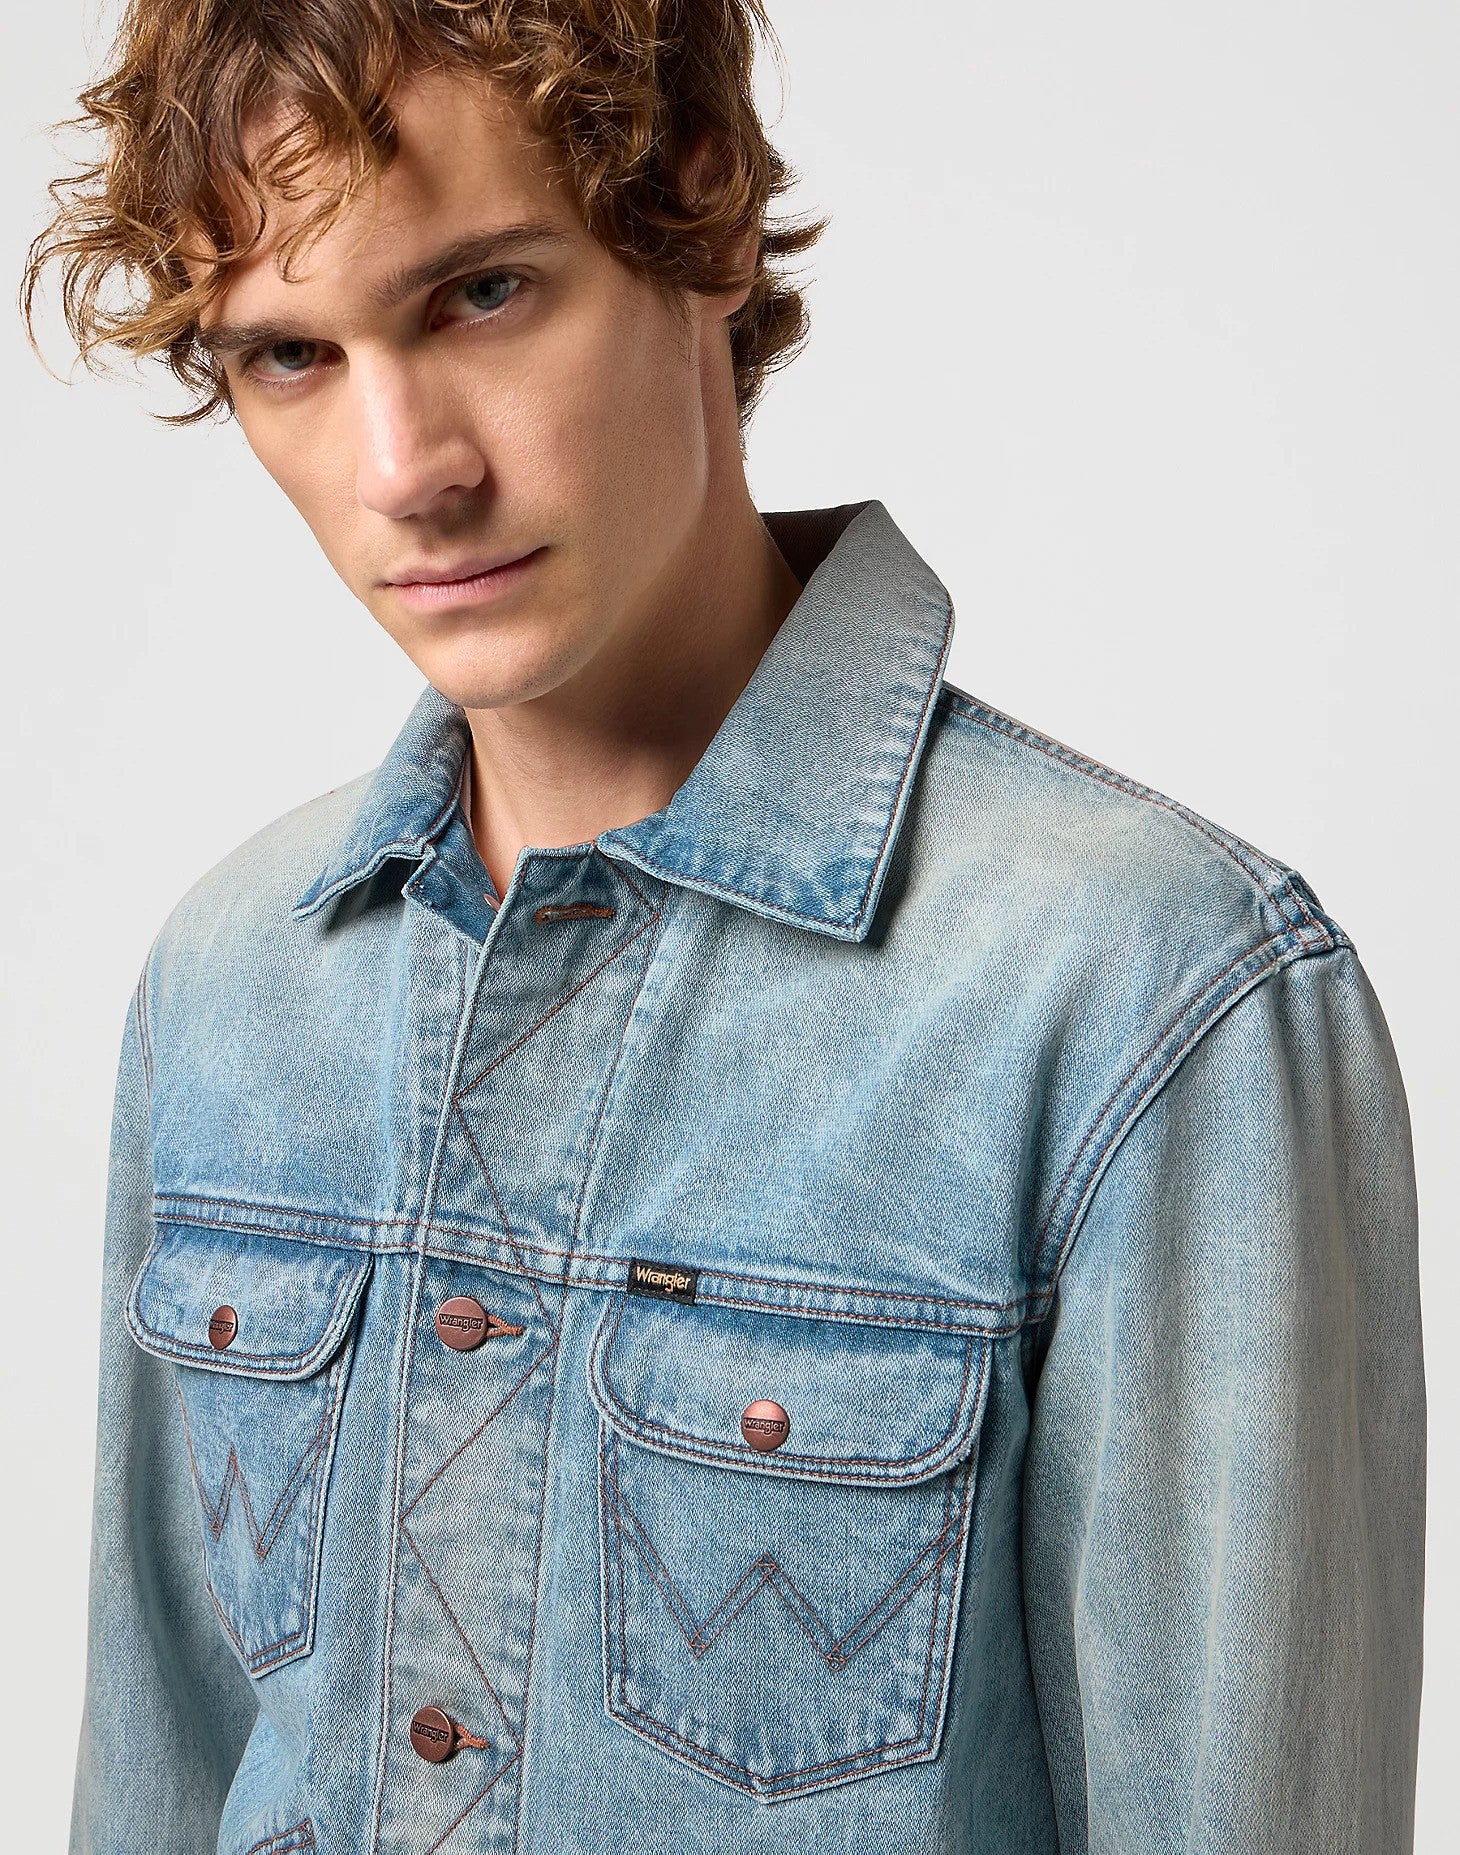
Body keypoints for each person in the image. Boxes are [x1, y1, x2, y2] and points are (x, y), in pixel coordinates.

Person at [24, 3, 1425, 1852]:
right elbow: (157, 1775)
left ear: (700, 208)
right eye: (292, 353)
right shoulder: (234, 985)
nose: (406, 469)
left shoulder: (1150, 997)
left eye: (482, 295)